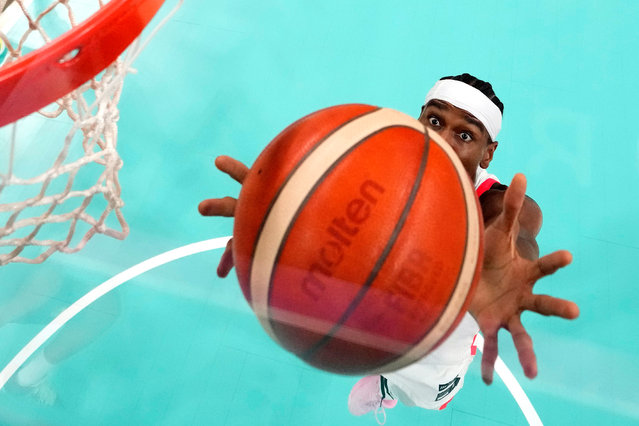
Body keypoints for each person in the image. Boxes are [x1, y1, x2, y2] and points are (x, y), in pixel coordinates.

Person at [198, 73, 579, 423]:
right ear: (418, 118)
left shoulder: (497, 205)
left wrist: (510, 267)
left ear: (487, 153)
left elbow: (521, 236)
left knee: (426, 393)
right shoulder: (381, 159)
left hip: (446, 328)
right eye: (434, 121)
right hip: (381, 293)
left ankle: (387, 387)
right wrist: (271, 216)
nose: (442, 140)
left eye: (465, 136)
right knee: (353, 325)